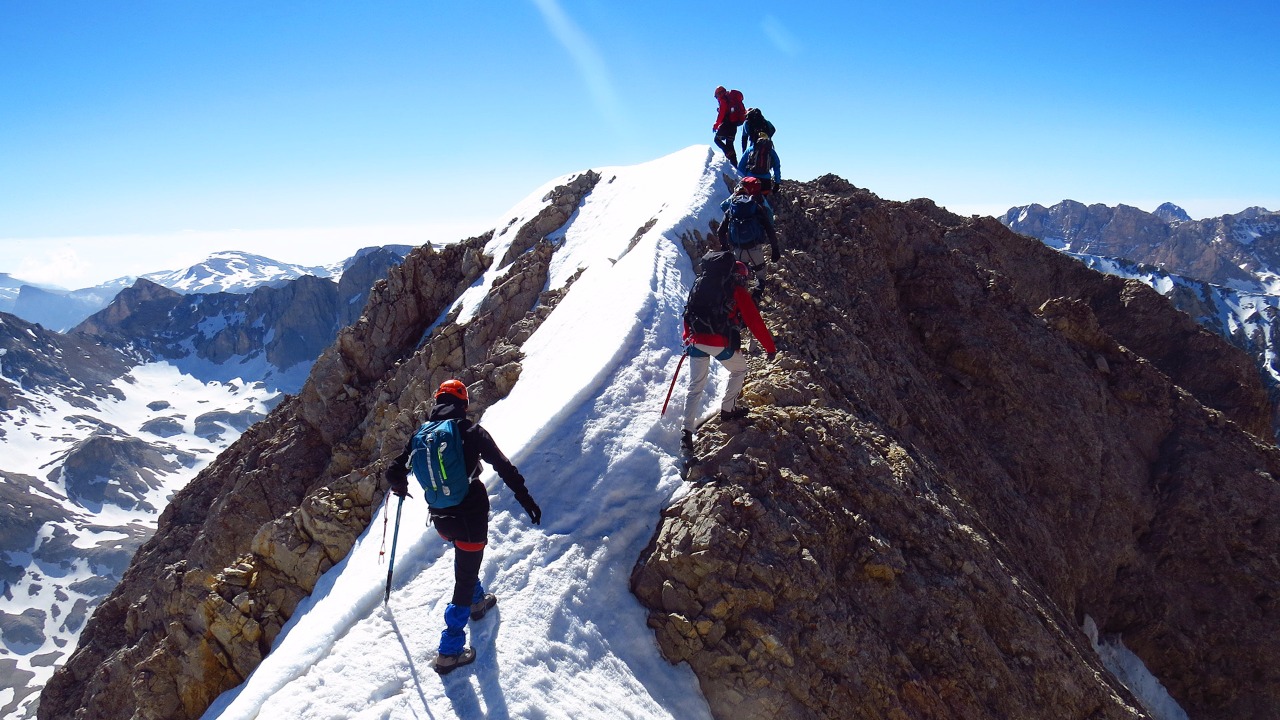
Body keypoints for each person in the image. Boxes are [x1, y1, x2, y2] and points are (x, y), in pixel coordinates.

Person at [385, 379, 542, 674]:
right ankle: (450, 650)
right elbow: (503, 466)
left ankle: (476, 600)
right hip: (471, 515)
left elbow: (394, 470)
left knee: (465, 561)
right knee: (465, 574)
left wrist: (400, 487)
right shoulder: (469, 431)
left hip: (442, 520)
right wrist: (526, 499)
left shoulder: (421, 435)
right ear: (463, 403)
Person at [680, 252, 777, 455]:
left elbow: (689, 311)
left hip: (696, 341)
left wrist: (687, 336)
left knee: (695, 387)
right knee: (740, 369)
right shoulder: (736, 291)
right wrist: (770, 348)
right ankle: (727, 409)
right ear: (739, 276)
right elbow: (754, 322)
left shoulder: (702, 284)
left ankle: (686, 434)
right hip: (719, 342)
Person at [718, 176, 781, 301]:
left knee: (739, 274)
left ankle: (739, 300)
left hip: (738, 248)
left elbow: (721, 231)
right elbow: (769, 228)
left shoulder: (731, 208)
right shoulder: (756, 206)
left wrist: (725, 246)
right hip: (755, 247)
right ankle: (756, 298)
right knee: (761, 274)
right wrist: (775, 249)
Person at [712, 86, 747, 166]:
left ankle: (728, 153)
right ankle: (734, 165)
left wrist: (716, 125)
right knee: (730, 144)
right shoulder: (731, 99)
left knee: (717, 140)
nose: (717, 98)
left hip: (727, 124)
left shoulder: (723, 100)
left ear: (720, 93)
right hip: (734, 125)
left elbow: (721, 115)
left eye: (716, 96)